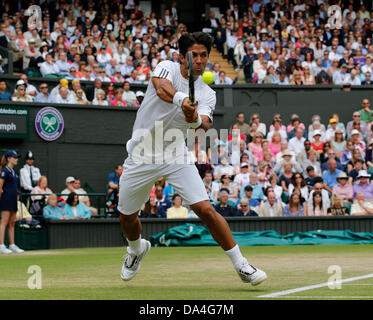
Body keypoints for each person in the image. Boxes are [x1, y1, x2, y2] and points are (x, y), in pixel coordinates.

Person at [118, 32, 267, 285]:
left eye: (203, 56)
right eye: (194, 55)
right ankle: (136, 249)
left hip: (175, 153)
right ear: (182, 56)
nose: (199, 60)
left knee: (205, 209)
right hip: (142, 153)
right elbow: (161, 88)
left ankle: (242, 265)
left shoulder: (208, 93)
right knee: (127, 217)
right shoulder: (167, 67)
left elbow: (203, 126)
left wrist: (193, 117)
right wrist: (182, 100)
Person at [0, 150, 24, 254]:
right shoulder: (5, 170)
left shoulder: (14, 172)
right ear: (9, 159)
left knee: (12, 223)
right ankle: (1, 246)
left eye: (17, 157)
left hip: (13, 199)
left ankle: (12, 245)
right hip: (5, 199)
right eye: (14, 157)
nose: (16, 159)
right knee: (4, 222)